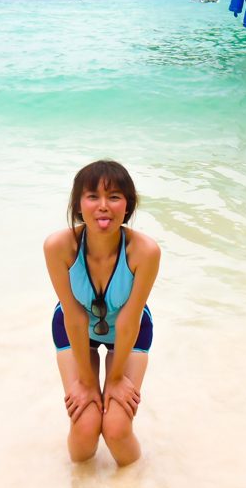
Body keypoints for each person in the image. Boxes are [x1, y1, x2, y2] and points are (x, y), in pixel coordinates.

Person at [44, 160, 161, 467]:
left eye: (114, 196)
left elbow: (127, 319)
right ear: (78, 205)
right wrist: (86, 381)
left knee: (117, 429)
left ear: (128, 206)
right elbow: (75, 316)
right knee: (85, 429)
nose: (103, 206)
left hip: (130, 328)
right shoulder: (59, 246)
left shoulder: (145, 251)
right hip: (74, 327)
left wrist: (116, 378)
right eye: (92, 196)